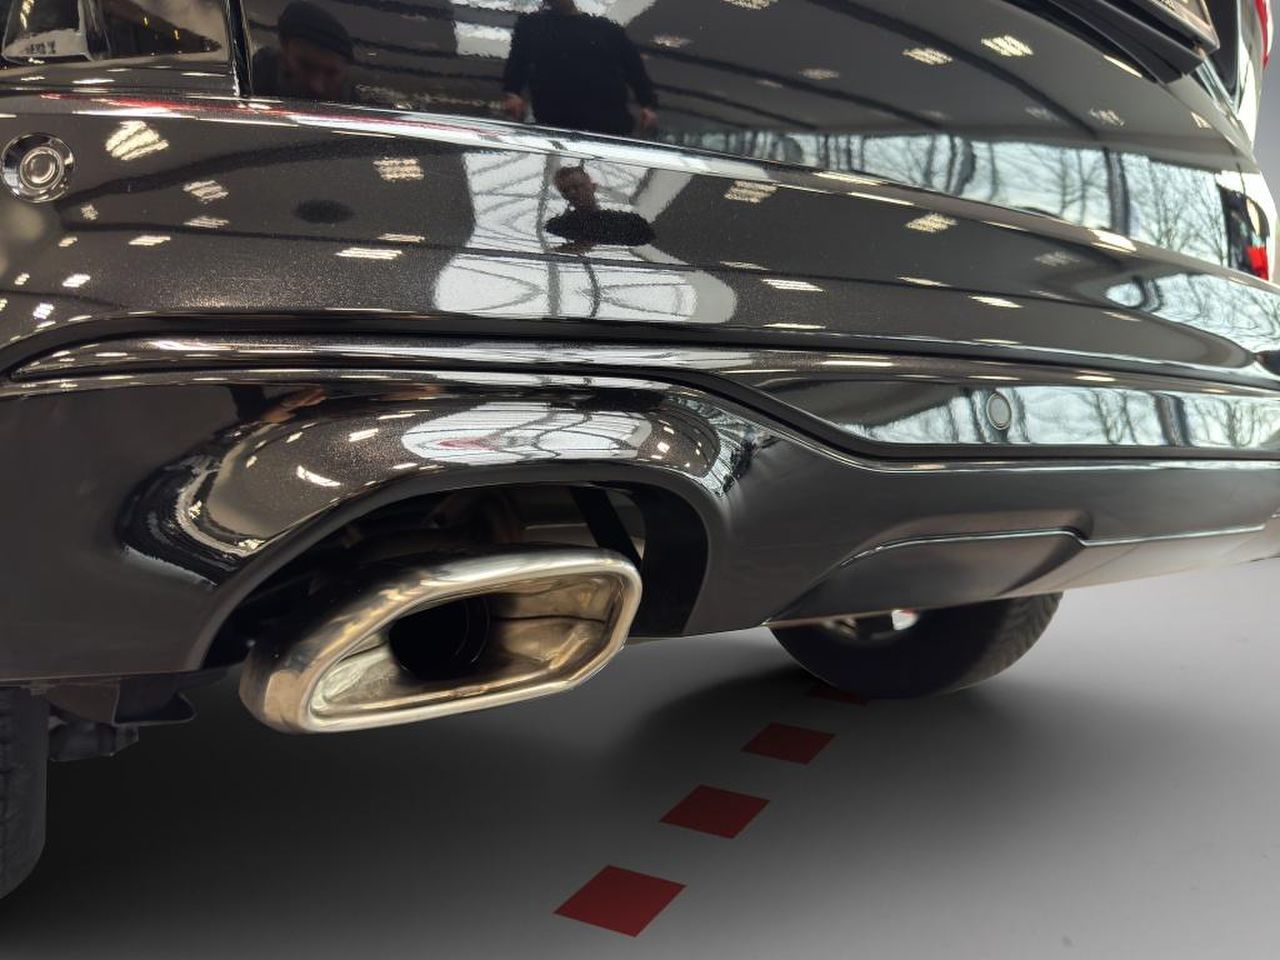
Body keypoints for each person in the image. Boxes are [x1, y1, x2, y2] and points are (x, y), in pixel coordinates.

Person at [502, 0, 658, 137]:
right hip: (554, 126)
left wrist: (647, 104)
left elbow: (635, 69)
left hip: (608, 127)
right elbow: (517, 63)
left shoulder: (607, 30)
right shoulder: (531, 27)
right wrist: (512, 92)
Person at [251, 1, 356, 102]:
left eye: (330, 73)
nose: (317, 86)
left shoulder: (356, 105)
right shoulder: (252, 76)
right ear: (284, 47)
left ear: (346, 69)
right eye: (306, 66)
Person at [546, 165, 655, 250]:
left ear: (593, 187)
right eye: (565, 190)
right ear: (563, 196)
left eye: (577, 186)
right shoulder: (560, 225)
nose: (572, 193)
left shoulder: (631, 219)